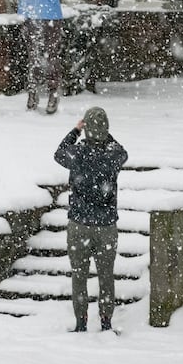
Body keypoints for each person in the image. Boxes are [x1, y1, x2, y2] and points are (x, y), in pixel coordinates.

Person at [54, 107, 128, 332]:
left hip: (79, 224)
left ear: (86, 128)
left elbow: (58, 153)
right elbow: (123, 152)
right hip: (106, 226)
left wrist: (76, 131)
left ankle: (81, 322)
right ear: (105, 129)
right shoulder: (113, 155)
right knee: (106, 276)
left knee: (79, 275)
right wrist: (104, 135)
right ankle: (106, 322)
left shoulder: (76, 153)